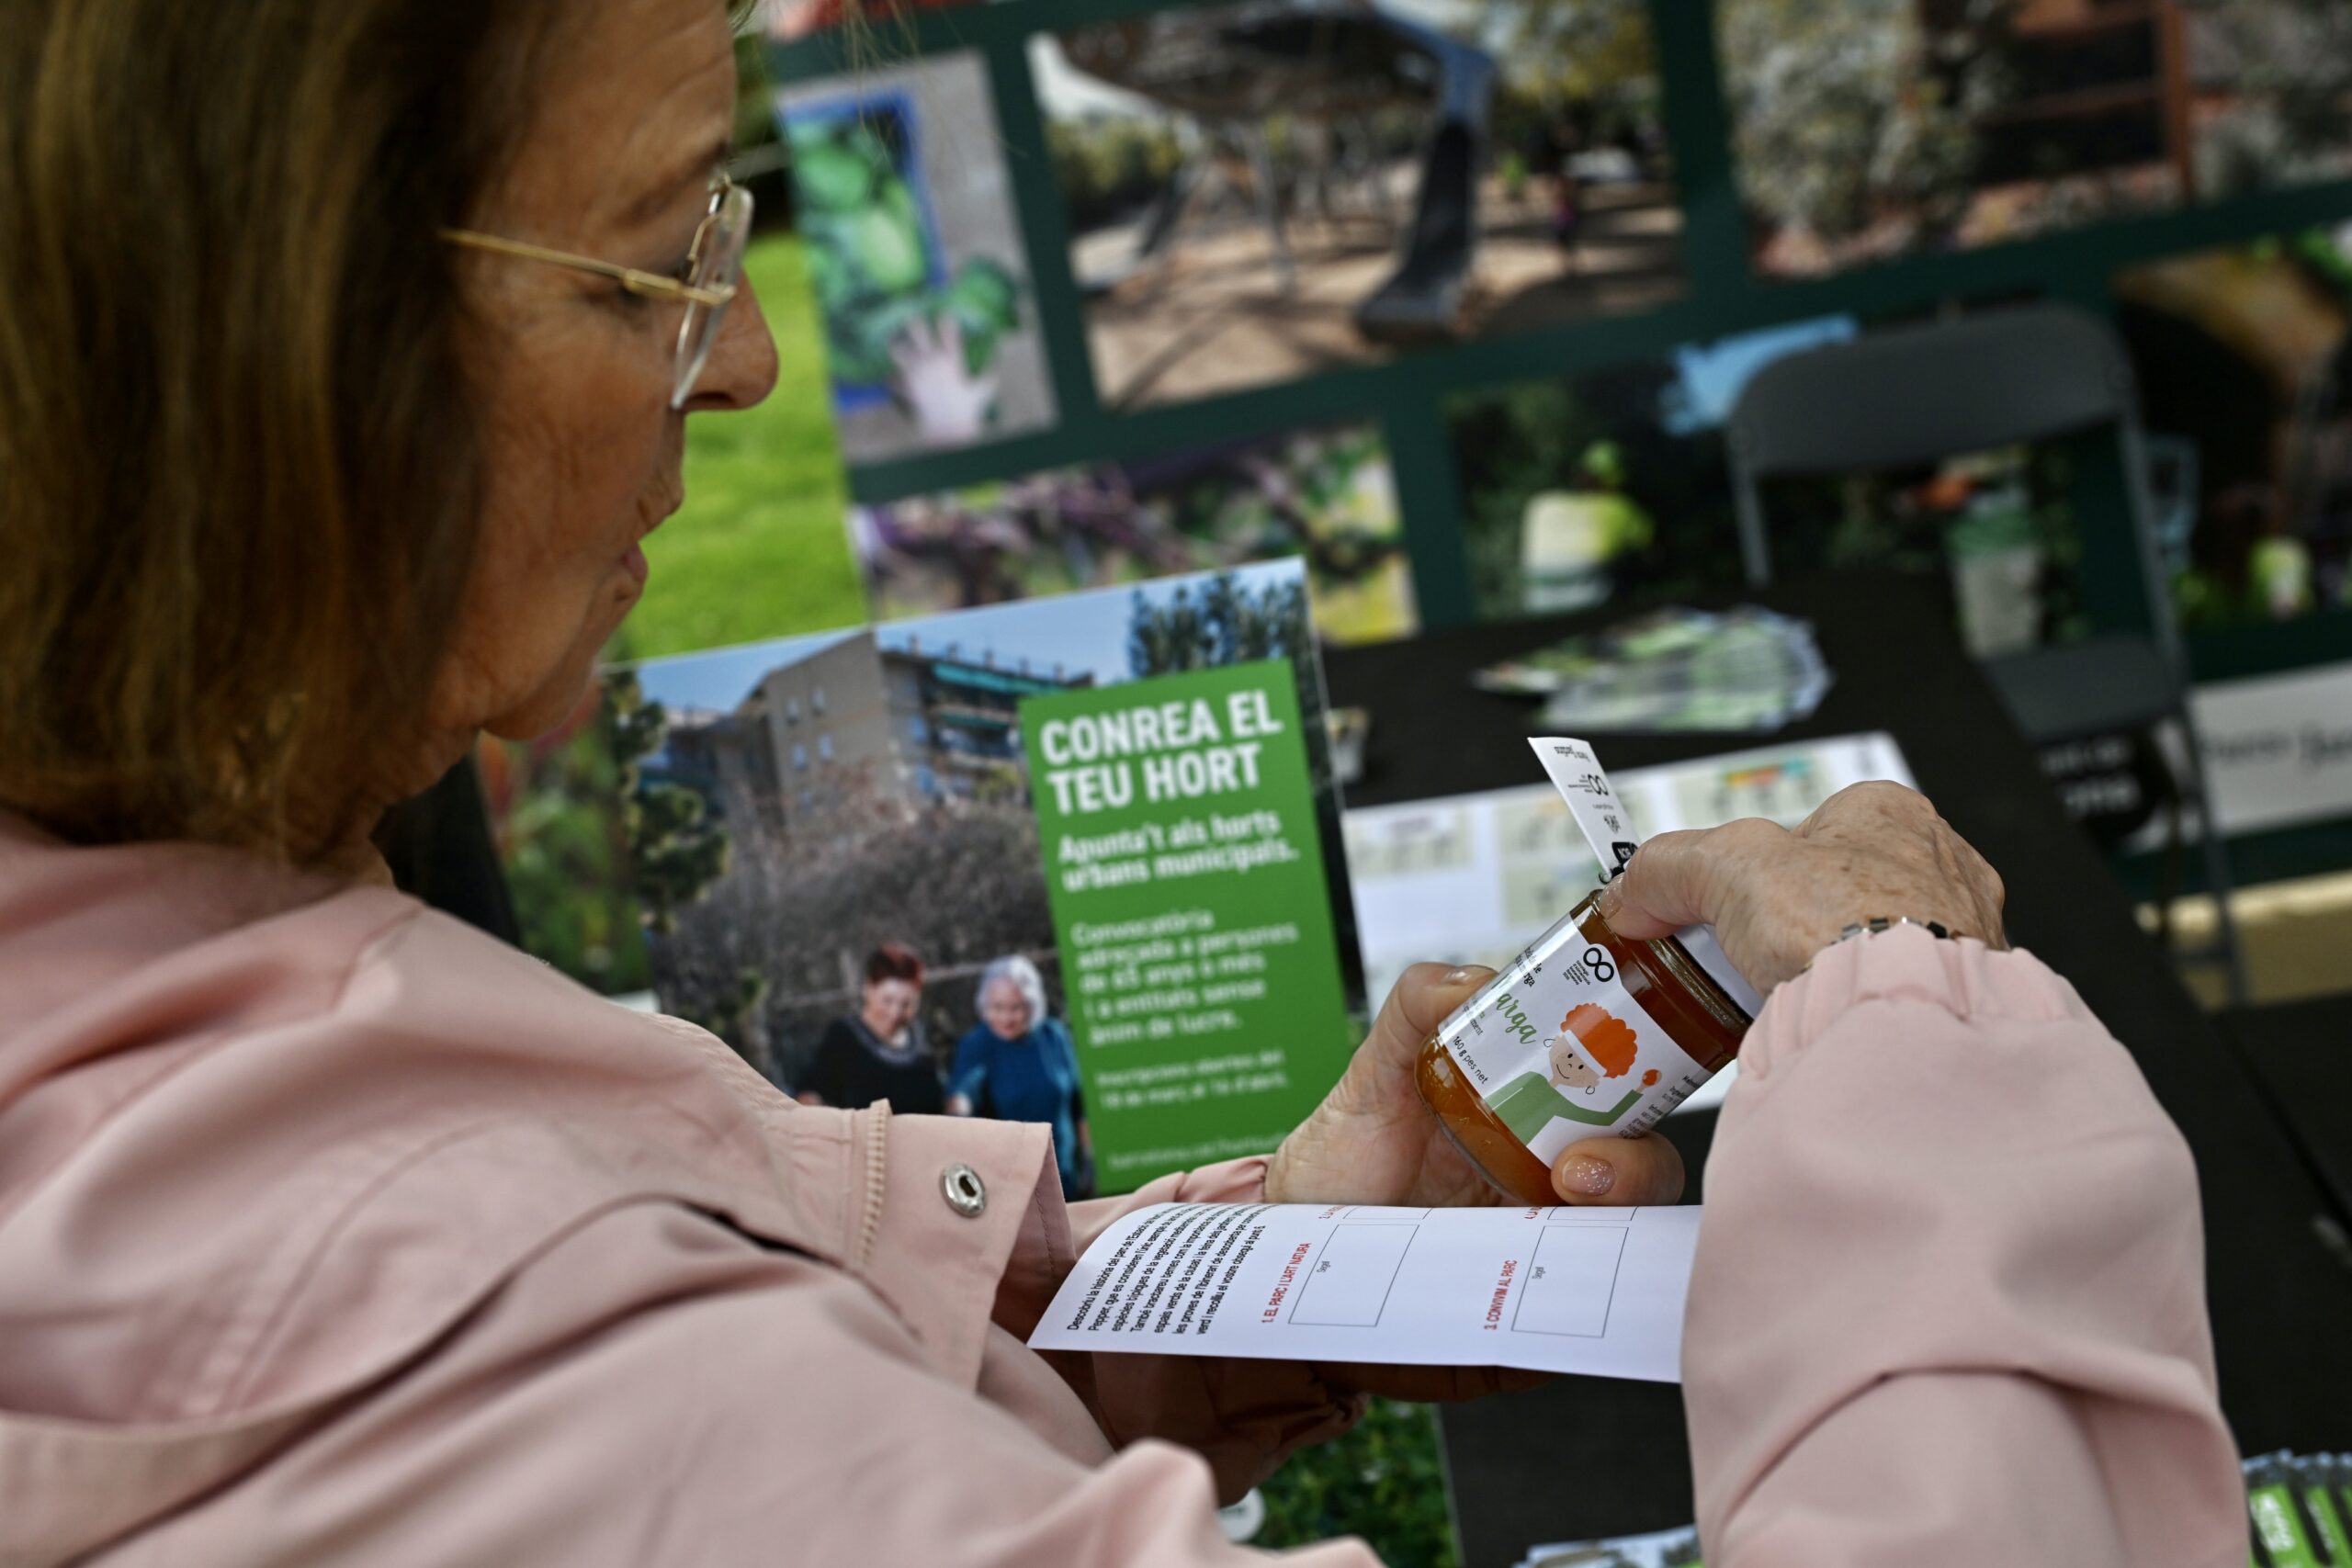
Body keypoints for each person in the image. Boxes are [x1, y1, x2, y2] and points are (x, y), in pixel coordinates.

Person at [0, 0, 2243, 1563]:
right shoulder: (479, 1357)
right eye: (659, 254)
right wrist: (1902, 1008)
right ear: (281, 339)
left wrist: (1225, 1293)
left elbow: (773, 1407)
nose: (748, 351)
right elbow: (661, 1421)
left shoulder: (158, 1018)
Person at [948, 955, 1092, 1198]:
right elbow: (963, 1092)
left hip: (1065, 1173)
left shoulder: (1053, 1035)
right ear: (984, 1006)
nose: (1006, 1017)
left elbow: (1079, 1103)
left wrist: (1089, 1156)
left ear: (1032, 1005)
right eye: (997, 1007)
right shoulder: (977, 1044)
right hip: (1010, 1183)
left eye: (1016, 1007)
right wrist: (959, 1114)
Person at [795, 942, 943, 1113]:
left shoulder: (922, 1038)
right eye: (887, 1000)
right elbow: (810, 1093)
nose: (895, 1012)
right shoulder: (843, 1037)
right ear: (868, 990)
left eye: (906, 1004)